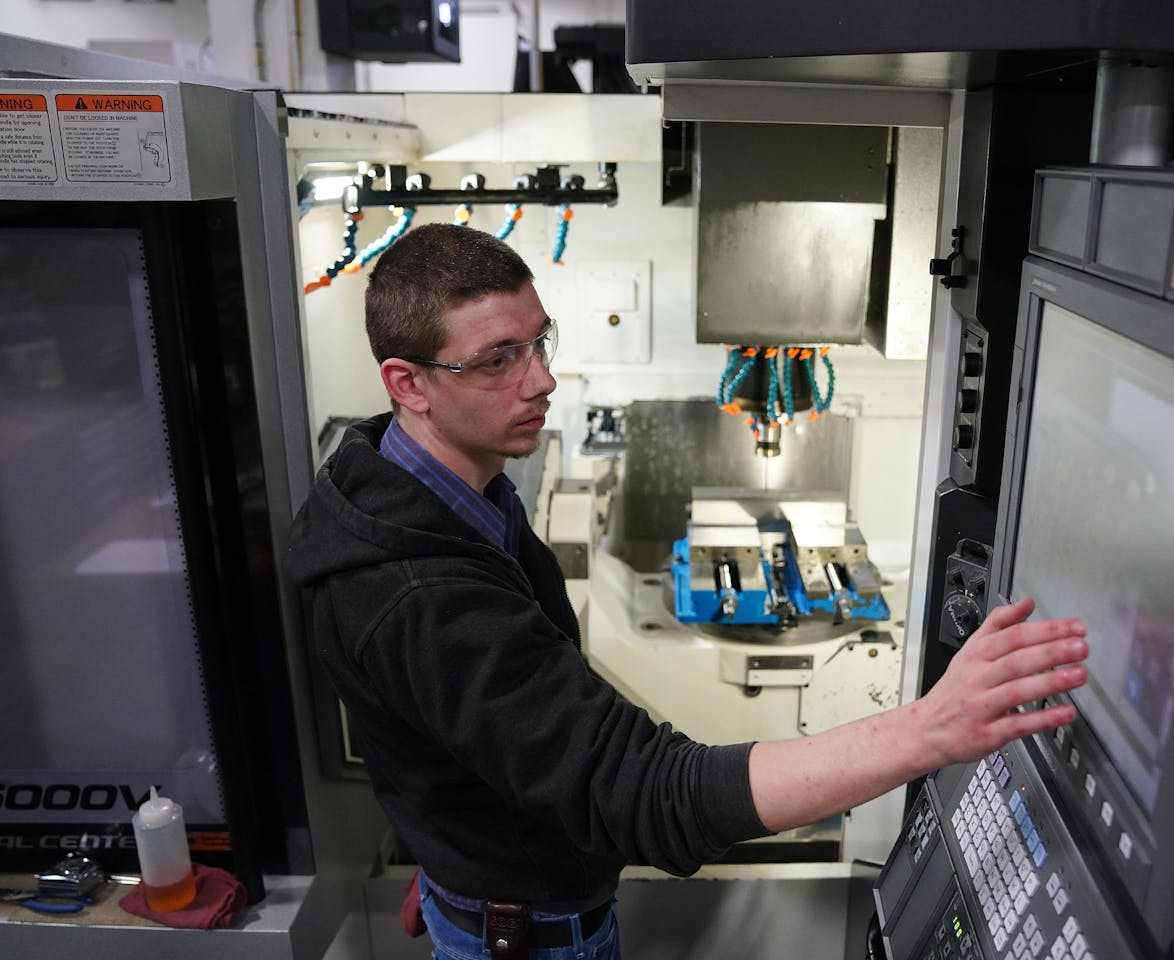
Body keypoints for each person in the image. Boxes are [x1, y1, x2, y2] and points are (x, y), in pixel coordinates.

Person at [286, 223, 1088, 960]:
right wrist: (930, 729)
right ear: (409, 383)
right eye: (499, 359)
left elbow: (431, 719)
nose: (544, 381)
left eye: (539, 343)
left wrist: (452, 847)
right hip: (532, 939)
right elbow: (644, 792)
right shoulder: (413, 588)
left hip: (500, 899)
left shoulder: (427, 489)